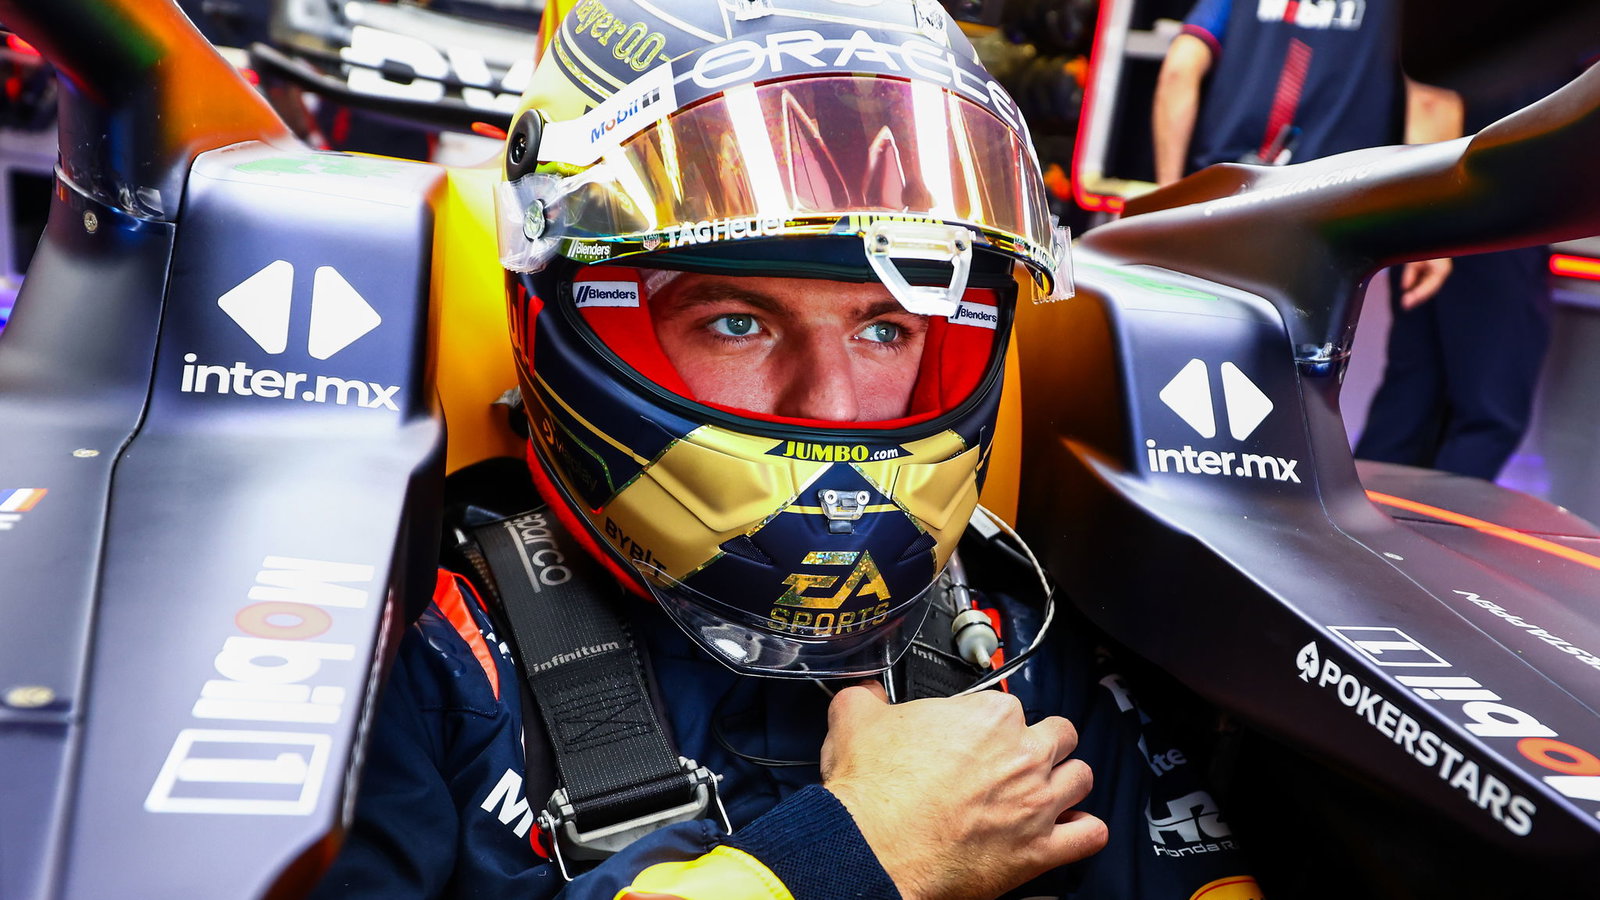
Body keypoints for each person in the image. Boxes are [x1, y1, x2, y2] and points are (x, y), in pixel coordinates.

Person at [309, 2, 1260, 898]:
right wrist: (853, 856)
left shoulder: (1025, 651)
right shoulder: (420, 665)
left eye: (885, 331)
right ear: (573, 320)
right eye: (737, 323)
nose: (831, 405)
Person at [1150, 0, 1460, 307]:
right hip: (1335, 218)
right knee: (1320, 337)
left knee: (1205, 329)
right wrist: (1432, 231)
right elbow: (1429, 102)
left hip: (1221, 204)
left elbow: (1179, 69)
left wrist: (1169, 199)